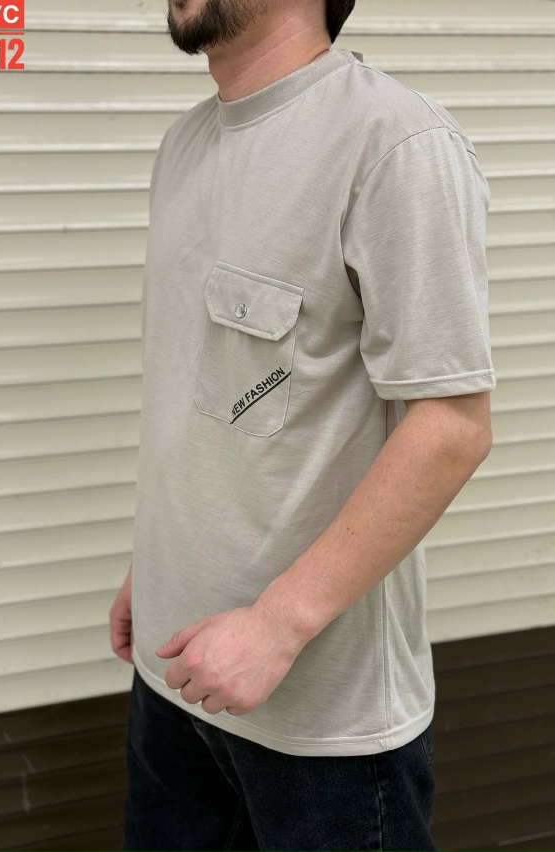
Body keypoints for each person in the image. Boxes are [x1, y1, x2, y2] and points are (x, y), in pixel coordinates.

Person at [109, 0, 496, 849]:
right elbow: (202, 392)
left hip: (320, 729)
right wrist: (156, 566)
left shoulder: (393, 142)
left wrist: (277, 623)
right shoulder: (184, 145)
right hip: (172, 679)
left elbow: (451, 426)